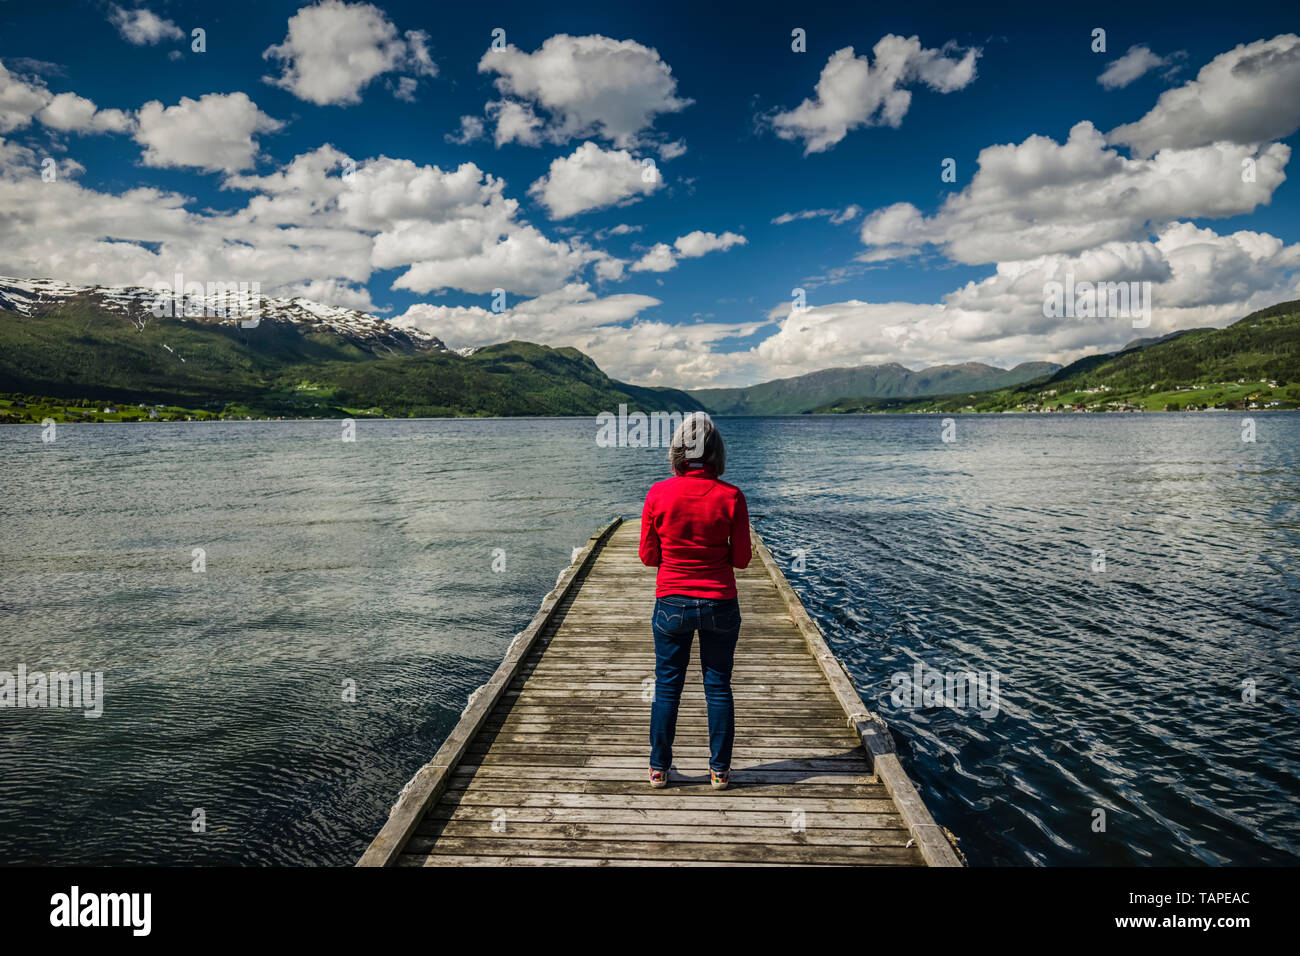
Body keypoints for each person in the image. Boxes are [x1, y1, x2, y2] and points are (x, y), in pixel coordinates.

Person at [638, 413, 751, 790]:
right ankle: (719, 771)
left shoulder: (657, 494)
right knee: (718, 686)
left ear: (677, 452)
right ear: (717, 452)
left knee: (667, 686)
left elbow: (648, 558)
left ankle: (658, 769)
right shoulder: (732, 497)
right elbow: (742, 560)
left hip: (672, 601)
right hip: (720, 602)